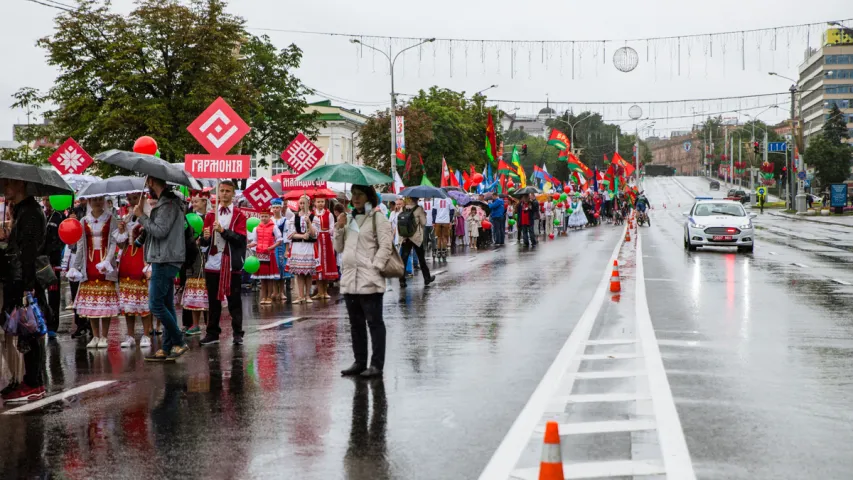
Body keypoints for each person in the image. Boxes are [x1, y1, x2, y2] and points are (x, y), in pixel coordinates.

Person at [334, 185, 394, 378]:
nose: (356, 198)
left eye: (360, 194)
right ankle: (359, 362)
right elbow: (339, 247)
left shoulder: (378, 218)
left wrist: (374, 266)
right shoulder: (349, 219)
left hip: (370, 280)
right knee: (355, 324)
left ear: (369, 197)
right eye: (353, 194)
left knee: (374, 323)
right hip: (350, 279)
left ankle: (376, 364)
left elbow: (386, 247)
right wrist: (339, 227)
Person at [0, 180, 52, 402]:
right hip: (19, 278)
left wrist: (26, 286)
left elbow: (28, 252)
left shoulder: (30, 212)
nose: (5, 188)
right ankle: (30, 380)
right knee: (24, 329)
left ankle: (34, 382)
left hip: (25, 280)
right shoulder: (22, 210)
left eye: (8, 184)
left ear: (21, 185)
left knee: (30, 329)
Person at [136, 176, 189, 361]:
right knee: (166, 305)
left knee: (155, 305)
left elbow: (160, 231)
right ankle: (166, 347)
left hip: (165, 258)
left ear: (151, 181)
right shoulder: (166, 202)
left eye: (147, 180)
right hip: (164, 256)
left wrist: (141, 216)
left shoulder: (168, 204)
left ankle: (179, 341)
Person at [67, 196, 120, 349]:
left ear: (103, 201)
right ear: (89, 202)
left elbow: (112, 242)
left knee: (105, 303)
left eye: (99, 199)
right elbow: (81, 245)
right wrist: (75, 266)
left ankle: (104, 336)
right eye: (94, 200)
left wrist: (108, 261)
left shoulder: (111, 219)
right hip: (89, 264)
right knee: (92, 304)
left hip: (104, 264)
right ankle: (95, 336)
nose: (97, 202)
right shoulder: (84, 221)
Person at [199, 181, 247, 347]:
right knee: (213, 301)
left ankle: (237, 333)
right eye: (222, 191)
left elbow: (240, 239)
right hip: (213, 263)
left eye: (228, 191)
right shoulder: (211, 215)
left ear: (233, 194)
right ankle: (212, 333)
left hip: (231, 264)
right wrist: (205, 237)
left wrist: (223, 232)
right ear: (218, 194)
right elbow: (204, 244)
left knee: (234, 301)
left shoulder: (239, 215)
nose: (225, 194)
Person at [115, 192, 153, 349]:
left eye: (135, 198)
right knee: (128, 302)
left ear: (142, 198)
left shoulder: (148, 215)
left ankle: (146, 334)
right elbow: (121, 244)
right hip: (127, 258)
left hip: (142, 257)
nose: (131, 202)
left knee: (144, 300)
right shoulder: (127, 217)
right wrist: (122, 231)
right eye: (129, 199)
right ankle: (129, 335)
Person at [286, 195, 318, 304]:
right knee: (299, 273)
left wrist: (309, 222)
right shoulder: (294, 217)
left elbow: (315, 234)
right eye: (301, 203)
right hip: (298, 246)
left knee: (308, 272)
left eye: (304, 203)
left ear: (309, 204)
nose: (302, 205)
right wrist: (301, 236)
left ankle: (308, 295)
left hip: (308, 247)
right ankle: (300, 295)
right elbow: (290, 234)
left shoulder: (314, 217)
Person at [41, 197, 65, 338]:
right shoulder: (42, 215)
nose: (46, 202)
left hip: (54, 261)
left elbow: (61, 238)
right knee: (39, 293)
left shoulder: (59, 217)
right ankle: (42, 321)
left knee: (53, 294)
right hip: (41, 260)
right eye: (44, 200)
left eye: (48, 199)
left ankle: (53, 325)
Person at [399, 197, 435, 288]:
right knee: (421, 259)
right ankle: (427, 278)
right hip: (416, 238)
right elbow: (423, 223)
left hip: (405, 237)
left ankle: (402, 280)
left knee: (404, 259)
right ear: (417, 200)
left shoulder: (403, 208)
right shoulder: (419, 209)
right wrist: (424, 215)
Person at [248, 210, 282, 305]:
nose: (263, 218)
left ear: (269, 217)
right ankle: (263, 297)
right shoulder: (256, 228)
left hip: (269, 254)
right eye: (262, 216)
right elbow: (255, 241)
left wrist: (272, 247)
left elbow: (279, 239)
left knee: (269, 278)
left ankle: (269, 297)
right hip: (260, 254)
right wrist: (250, 245)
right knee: (262, 278)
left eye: (266, 216)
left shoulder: (274, 227)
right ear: (260, 217)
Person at [312, 197, 339, 299]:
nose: (320, 203)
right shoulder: (312, 214)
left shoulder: (329, 214)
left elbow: (332, 228)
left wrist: (330, 231)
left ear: (325, 202)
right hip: (316, 241)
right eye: (318, 201)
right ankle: (319, 291)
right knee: (318, 265)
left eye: (322, 201)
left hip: (326, 241)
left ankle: (325, 291)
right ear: (315, 203)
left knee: (326, 265)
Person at [271, 198, 290, 303]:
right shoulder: (270, 220)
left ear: (281, 208)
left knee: (282, 268)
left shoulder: (285, 221)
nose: (275, 209)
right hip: (272, 246)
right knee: (274, 267)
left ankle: (281, 291)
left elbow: (286, 236)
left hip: (281, 246)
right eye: (274, 207)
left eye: (277, 207)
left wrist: (287, 250)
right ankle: (274, 291)